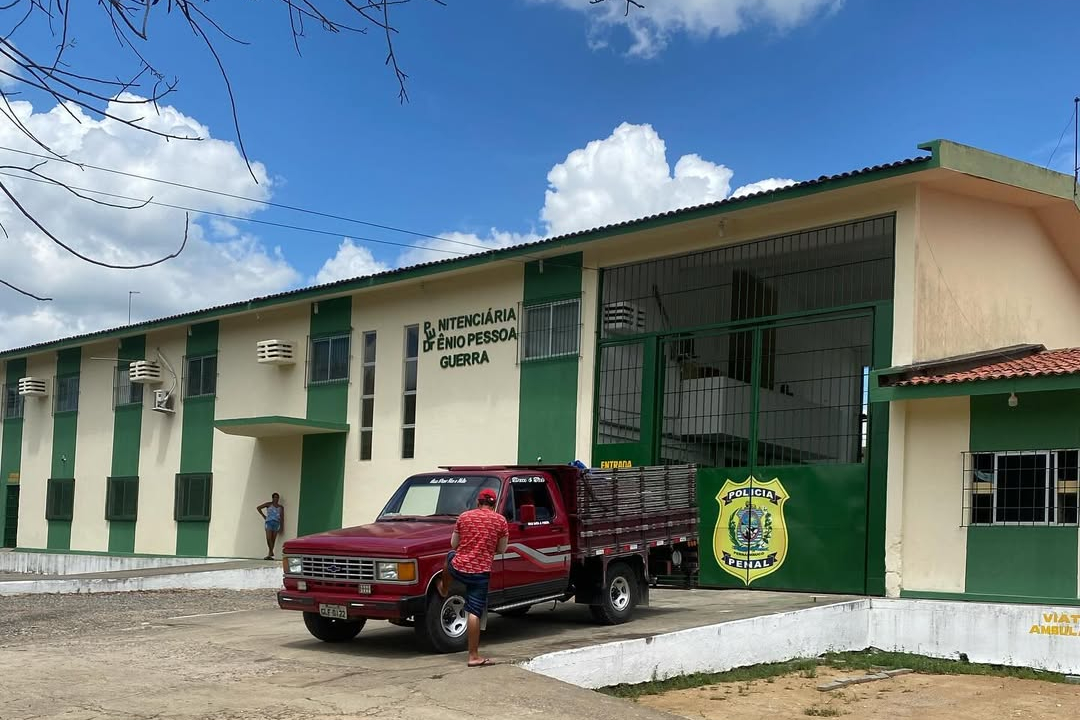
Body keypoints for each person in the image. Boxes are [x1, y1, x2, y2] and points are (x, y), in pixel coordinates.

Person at [437, 487, 508, 667]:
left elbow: (453, 544)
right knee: (474, 613)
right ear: (494, 504)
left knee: (449, 557)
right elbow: (501, 549)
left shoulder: (464, 517)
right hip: (480, 574)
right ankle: (473, 656)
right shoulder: (500, 521)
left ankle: (444, 587)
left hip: (459, 568)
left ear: (478, 502)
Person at [257, 493, 285, 560]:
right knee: (268, 538)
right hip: (269, 522)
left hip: (276, 523)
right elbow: (258, 508)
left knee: (273, 539)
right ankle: (271, 551)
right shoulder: (268, 504)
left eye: (277, 497)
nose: (276, 499)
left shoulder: (281, 507)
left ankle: (269, 554)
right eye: (275, 497)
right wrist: (264, 516)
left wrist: (281, 526)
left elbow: (282, 517)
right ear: (272, 498)